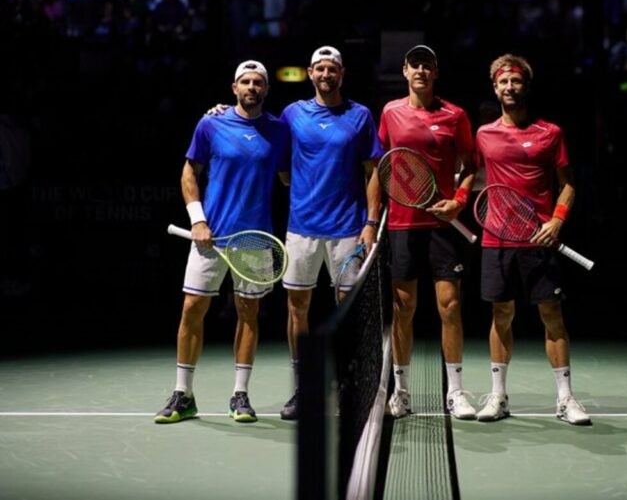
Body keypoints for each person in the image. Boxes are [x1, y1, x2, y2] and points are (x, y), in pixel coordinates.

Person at [208, 46, 383, 420]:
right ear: (309, 73)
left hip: (348, 229)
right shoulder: (292, 115)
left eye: (331, 69)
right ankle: (303, 388)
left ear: (341, 73)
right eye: (319, 69)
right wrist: (219, 111)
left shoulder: (360, 116)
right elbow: (260, 132)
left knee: (348, 311)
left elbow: (373, 172)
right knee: (297, 309)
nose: (325, 74)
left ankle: (347, 385)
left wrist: (370, 223)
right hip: (301, 229)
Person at [154, 60, 291, 424]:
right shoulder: (210, 123)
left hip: (255, 239)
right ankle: (184, 394)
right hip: (210, 239)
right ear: (234, 88)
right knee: (191, 310)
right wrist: (198, 220)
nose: (251, 87)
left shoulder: (279, 130)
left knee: (249, 314)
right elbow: (189, 172)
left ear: (266, 89)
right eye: (245, 82)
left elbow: (288, 178)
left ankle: (240, 395)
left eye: (258, 82)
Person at [472, 53, 591, 425]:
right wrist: (457, 200)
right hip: (497, 239)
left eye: (516, 81)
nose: (510, 87)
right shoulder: (483, 134)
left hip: (540, 240)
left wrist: (557, 221)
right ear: (495, 87)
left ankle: (566, 399)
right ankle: (498, 397)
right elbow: (471, 177)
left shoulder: (549, 133)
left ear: (526, 85)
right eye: (503, 82)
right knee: (501, 314)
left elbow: (568, 183)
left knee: (551, 314)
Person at [368, 45, 477, 420]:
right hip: (402, 225)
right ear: (404, 71)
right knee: (404, 309)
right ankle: (401, 391)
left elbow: (471, 165)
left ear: (436, 72)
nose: (421, 71)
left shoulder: (456, 115)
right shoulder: (390, 113)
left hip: (444, 226)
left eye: (427, 65)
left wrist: (458, 202)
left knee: (450, 306)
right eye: (415, 65)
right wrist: (371, 221)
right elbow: (380, 169)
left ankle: (457, 393)